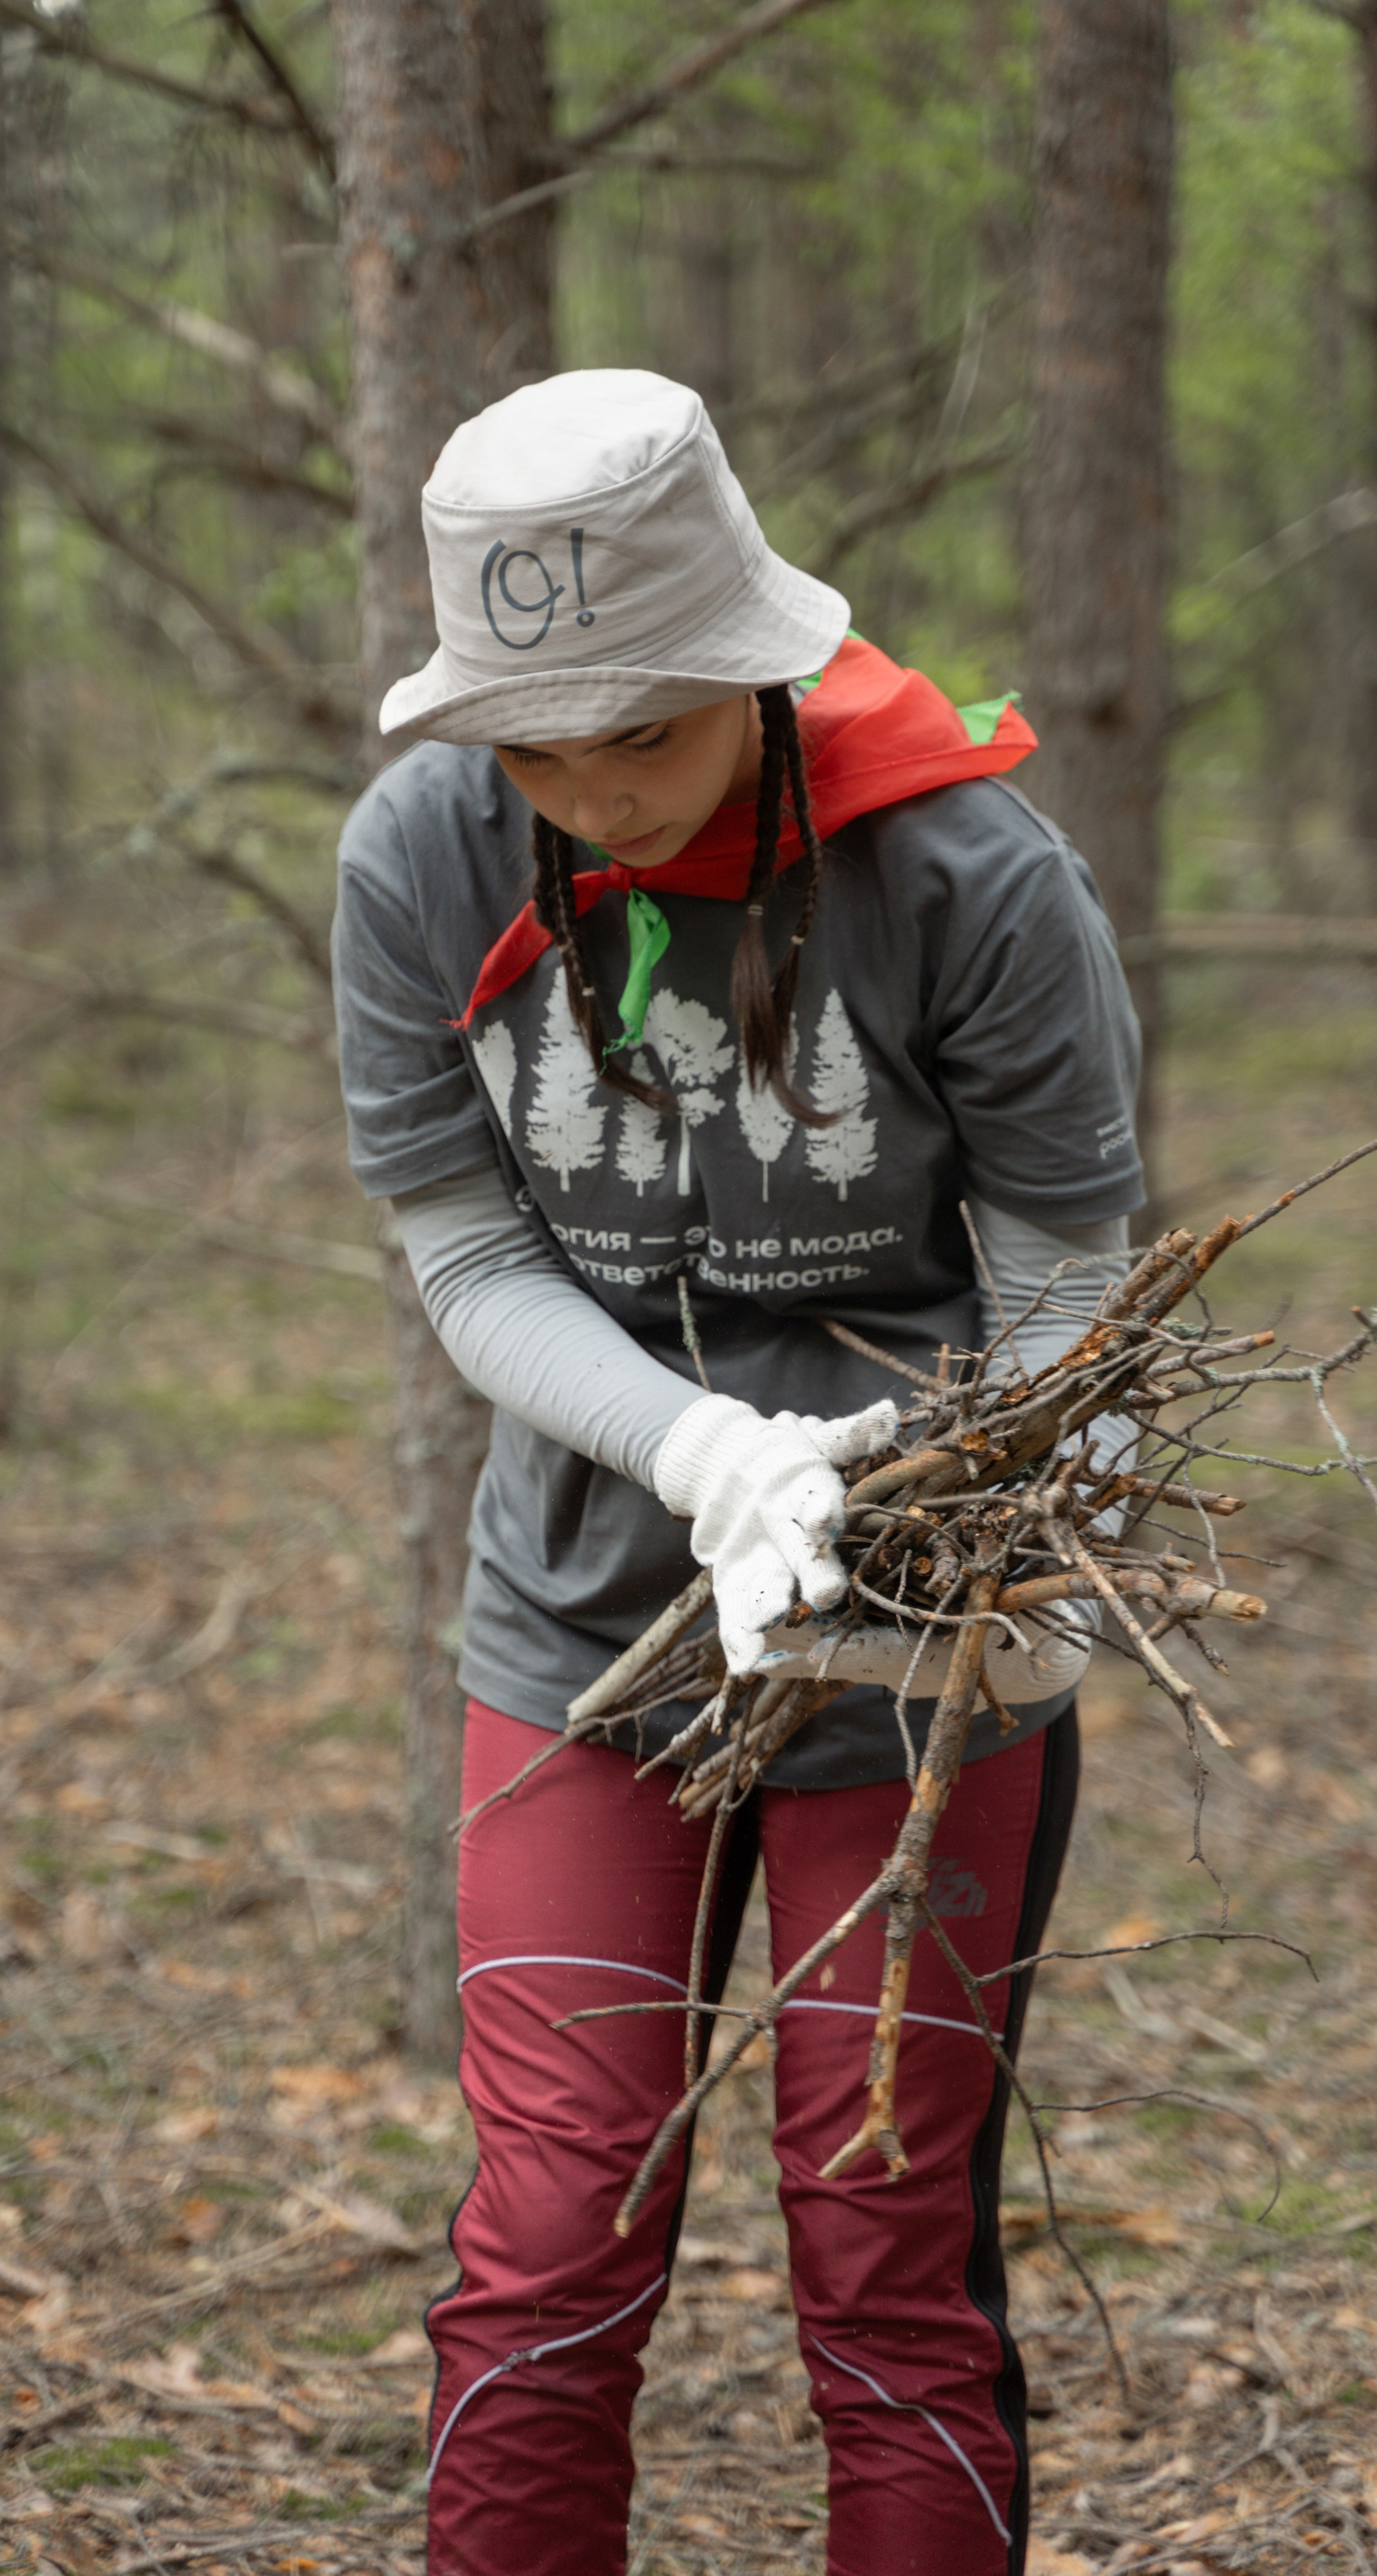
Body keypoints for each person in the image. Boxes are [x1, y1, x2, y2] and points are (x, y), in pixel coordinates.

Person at [332, 369, 1142, 2576]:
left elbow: (1075, 1268)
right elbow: (475, 1247)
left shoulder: (966, 869)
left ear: (752, 672)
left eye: (648, 739)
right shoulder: (420, 857)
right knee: (548, 2236)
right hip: (585, 1632)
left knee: (883, 2264)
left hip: (922, 1642)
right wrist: (698, 1446)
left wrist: (1009, 1546)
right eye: (536, 746)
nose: (591, 797)